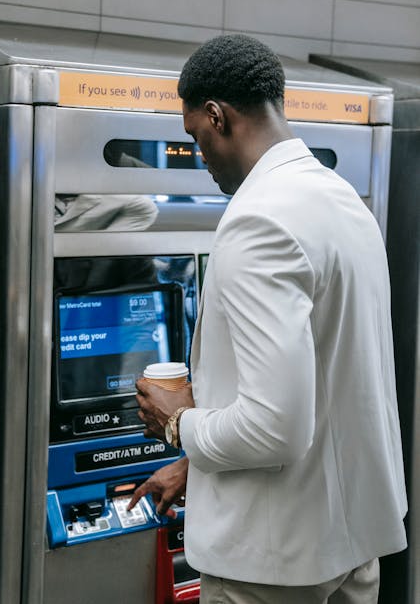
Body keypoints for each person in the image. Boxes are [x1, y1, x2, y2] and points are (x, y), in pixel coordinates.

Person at [127, 34, 408, 604]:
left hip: (272, 567)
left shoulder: (258, 221)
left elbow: (274, 427)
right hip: (350, 545)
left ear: (217, 116)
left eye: (196, 137)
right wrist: (196, 467)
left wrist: (180, 424)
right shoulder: (342, 199)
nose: (199, 155)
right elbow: (332, 384)